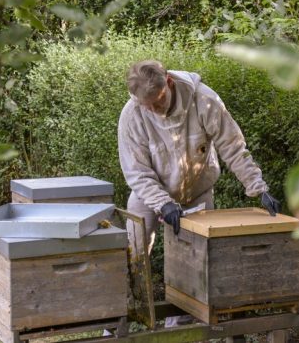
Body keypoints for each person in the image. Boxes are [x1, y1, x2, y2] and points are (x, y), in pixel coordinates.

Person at [118, 60, 281, 255]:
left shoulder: (204, 100)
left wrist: (258, 187)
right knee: (135, 248)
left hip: (197, 192)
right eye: (148, 106)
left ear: (169, 82)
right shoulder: (132, 115)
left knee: (200, 258)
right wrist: (163, 203)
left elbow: (233, 146)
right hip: (147, 194)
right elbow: (137, 171)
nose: (154, 110)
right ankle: (135, 286)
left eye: (159, 102)